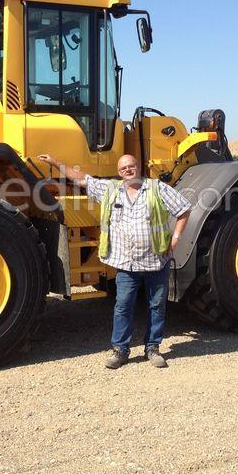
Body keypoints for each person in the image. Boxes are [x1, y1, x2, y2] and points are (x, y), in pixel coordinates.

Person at [37, 153, 192, 369]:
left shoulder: (157, 188)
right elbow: (81, 179)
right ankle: (120, 350)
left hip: (156, 261)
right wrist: (55, 162)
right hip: (127, 264)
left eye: (131, 166)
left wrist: (175, 238)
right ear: (119, 172)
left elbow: (184, 209)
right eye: (123, 168)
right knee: (123, 306)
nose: (128, 170)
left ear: (138, 167)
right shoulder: (110, 190)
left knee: (156, 305)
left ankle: (153, 348)